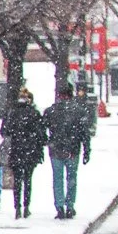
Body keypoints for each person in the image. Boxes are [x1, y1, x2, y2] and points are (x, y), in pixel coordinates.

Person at [45, 78, 97, 220]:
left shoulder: (51, 111)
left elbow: (42, 128)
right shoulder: (79, 111)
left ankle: (59, 206)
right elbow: (85, 133)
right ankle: (70, 205)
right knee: (71, 178)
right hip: (72, 150)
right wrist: (86, 150)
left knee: (57, 178)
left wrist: (49, 141)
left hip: (56, 150)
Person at [0, 86, 46, 220]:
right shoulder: (34, 113)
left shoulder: (12, 113)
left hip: (16, 150)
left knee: (17, 180)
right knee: (28, 179)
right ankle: (26, 206)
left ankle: (17, 207)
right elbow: (41, 135)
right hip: (30, 151)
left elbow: (4, 131)